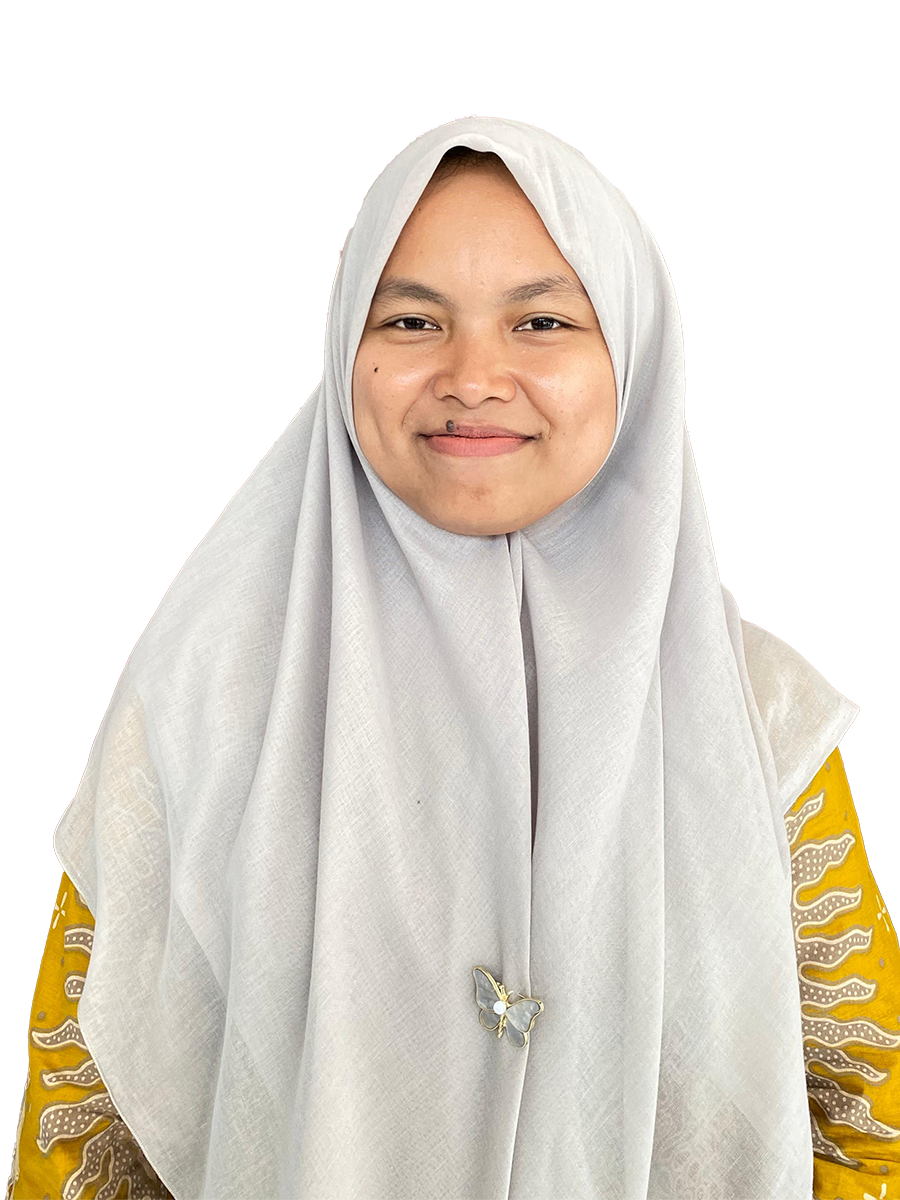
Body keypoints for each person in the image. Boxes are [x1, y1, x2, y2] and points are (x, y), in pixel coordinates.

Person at [6, 118, 899, 1200]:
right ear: (348, 353)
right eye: (412, 320)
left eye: (542, 320)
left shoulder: (752, 721)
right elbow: (90, 1129)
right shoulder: (208, 712)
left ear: (632, 354)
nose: (474, 377)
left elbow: (865, 1121)